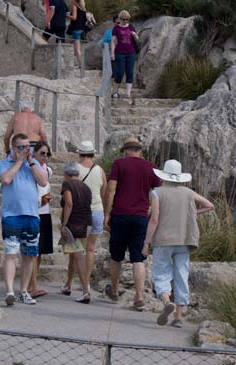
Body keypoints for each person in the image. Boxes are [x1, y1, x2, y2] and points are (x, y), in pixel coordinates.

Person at [143, 160, 216, 326]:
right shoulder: (189, 193)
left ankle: (166, 300)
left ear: (164, 176)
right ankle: (178, 317)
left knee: (161, 273)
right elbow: (210, 205)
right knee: (181, 275)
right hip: (184, 240)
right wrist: (193, 213)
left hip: (163, 240)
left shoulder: (157, 192)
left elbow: (154, 219)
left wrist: (146, 242)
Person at [103, 137, 162, 310]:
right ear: (140, 151)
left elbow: (111, 189)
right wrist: (151, 212)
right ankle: (140, 296)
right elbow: (157, 193)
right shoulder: (151, 167)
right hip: (141, 217)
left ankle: (114, 290)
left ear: (125, 150)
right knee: (138, 259)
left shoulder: (119, 164)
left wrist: (107, 214)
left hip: (120, 215)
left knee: (116, 257)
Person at [0, 132, 49, 306]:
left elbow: (43, 182)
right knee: (11, 253)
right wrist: (19, 161)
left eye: (28, 147)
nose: (26, 150)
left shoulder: (32, 165)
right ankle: (10, 291)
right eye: (22, 147)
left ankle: (24, 291)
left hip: (32, 216)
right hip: (12, 216)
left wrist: (31, 162)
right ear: (13, 147)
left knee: (29, 255)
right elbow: (5, 179)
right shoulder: (4, 164)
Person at [68, 140, 105, 296]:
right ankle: (87, 282)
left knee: (75, 250)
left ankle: (69, 283)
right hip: (97, 210)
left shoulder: (75, 169)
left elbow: (68, 191)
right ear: (92, 153)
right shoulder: (100, 170)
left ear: (79, 153)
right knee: (90, 249)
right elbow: (103, 190)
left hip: (79, 213)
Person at [59, 161, 94, 303]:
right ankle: (68, 284)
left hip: (73, 224)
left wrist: (64, 224)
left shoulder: (67, 185)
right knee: (74, 256)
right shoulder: (86, 187)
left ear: (66, 174)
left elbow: (69, 203)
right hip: (85, 223)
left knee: (78, 256)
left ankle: (86, 291)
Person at [27, 141, 54, 299]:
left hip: (45, 212)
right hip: (33, 212)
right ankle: (33, 286)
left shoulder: (48, 171)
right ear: (35, 154)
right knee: (33, 252)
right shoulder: (31, 169)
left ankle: (33, 284)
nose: (45, 157)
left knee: (40, 252)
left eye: (47, 154)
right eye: (42, 153)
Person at [111, 10, 139, 103]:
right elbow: (113, 41)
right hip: (119, 52)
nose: (126, 21)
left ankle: (128, 93)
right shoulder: (116, 28)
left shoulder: (131, 27)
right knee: (119, 72)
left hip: (131, 52)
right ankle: (115, 91)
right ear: (120, 19)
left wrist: (134, 35)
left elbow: (137, 39)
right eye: (124, 19)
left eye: (127, 19)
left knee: (130, 72)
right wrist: (112, 53)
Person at [67, 0, 89, 68]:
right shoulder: (83, 8)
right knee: (77, 48)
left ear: (74, 0)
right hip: (82, 29)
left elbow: (74, 18)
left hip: (76, 29)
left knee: (77, 49)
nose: (70, 0)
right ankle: (78, 63)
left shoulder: (75, 7)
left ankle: (81, 65)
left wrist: (67, 15)